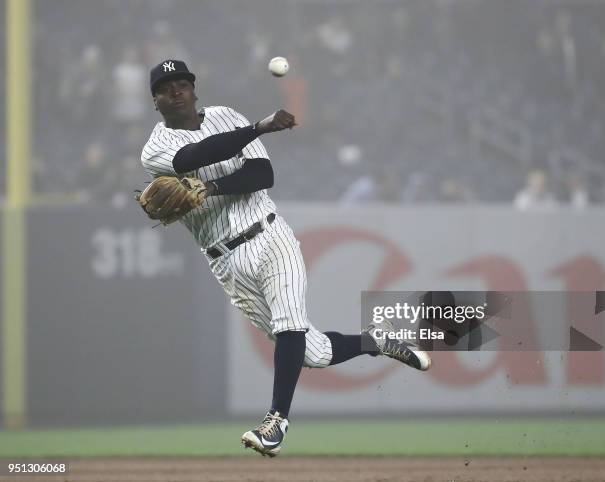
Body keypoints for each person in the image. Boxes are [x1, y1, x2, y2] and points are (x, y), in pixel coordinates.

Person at [140, 60, 431, 457]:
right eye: (165, 87)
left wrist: (212, 186)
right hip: (224, 261)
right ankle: (376, 342)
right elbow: (195, 155)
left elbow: (262, 175)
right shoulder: (154, 148)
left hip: (269, 234)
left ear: (195, 89)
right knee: (311, 352)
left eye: (182, 83)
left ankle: (276, 420)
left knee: (290, 323)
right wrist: (258, 128)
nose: (175, 91)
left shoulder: (227, 116)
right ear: (154, 101)